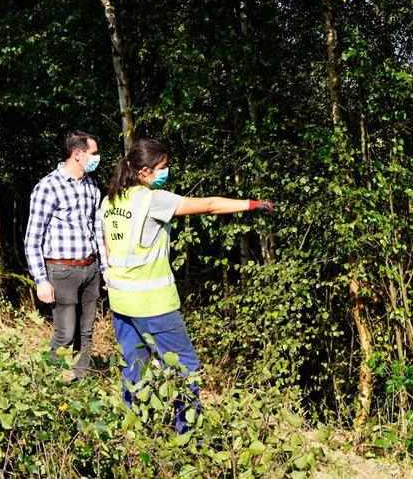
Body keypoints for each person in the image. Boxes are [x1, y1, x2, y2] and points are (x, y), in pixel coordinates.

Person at [99, 138, 273, 433]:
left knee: (135, 367)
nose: (166, 171)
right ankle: (188, 436)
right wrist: (253, 205)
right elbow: (209, 205)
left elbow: (108, 247)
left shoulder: (111, 201)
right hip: (153, 303)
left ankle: (133, 430)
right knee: (185, 369)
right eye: (163, 166)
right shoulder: (152, 199)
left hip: (121, 301)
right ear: (145, 171)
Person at [24, 130, 107, 381]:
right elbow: (32, 239)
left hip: (90, 268)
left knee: (86, 332)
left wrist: (105, 269)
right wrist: (41, 280)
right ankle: (49, 383)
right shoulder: (48, 187)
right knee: (65, 334)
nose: (98, 158)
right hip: (62, 271)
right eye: (93, 153)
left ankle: (83, 382)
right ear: (78, 153)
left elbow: (97, 230)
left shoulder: (92, 186)